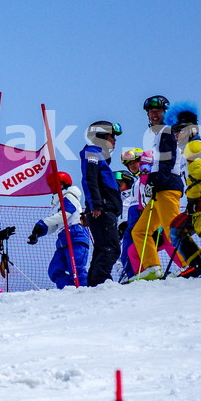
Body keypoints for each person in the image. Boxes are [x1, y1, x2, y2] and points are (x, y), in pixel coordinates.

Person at [129, 96, 185, 281]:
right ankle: (153, 267)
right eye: (150, 112)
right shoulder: (159, 134)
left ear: (166, 113)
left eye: (158, 111)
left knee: (173, 229)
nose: (153, 114)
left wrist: (158, 179)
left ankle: (190, 264)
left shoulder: (168, 131)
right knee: (139, 231)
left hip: (167, 186)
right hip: (158, 188)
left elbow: (167, 161)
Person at [166, 103, 201, 278]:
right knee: (176, 229)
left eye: (179, 130)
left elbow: (198, 173)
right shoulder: (187, 149)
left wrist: (192, 199)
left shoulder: (194, 146)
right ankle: (195, 264)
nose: (176, 135)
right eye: (174, 131)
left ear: (191, 129)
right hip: (200, 195)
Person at [28, 171, 90, 289]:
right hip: (63, 239)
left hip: (75, 234)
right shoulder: (57, 204)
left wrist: (43, 223)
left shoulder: (69, 196)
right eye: (52, 185)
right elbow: (55, 225)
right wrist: (38, 232)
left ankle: (84, 291)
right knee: (55, 270)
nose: (53, 187)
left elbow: (64, 215)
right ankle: (68, 290)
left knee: (76, 269)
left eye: (57, 184)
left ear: (64, 184)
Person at [80, 120, 124, 285]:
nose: (114, 140)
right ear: (101, 135)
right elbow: (89, 179)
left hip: (105, 208)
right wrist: (95, 205)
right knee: (111, 248)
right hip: (102, 208)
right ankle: (100, 281)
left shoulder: (100, 157)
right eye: (111, 136)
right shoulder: (92, 153)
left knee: (102, 248)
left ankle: (94, 283)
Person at [117, 148, 150, 280]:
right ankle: (130, 275)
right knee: (126, 253)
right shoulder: (137, 183)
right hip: (128, 224)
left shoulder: (144, 178)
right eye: (129, 164)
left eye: (134, 163)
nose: (133, 166)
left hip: (141, 218)